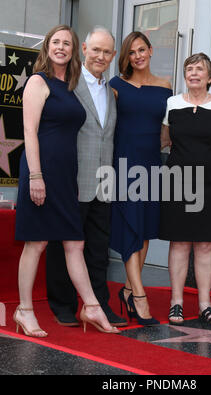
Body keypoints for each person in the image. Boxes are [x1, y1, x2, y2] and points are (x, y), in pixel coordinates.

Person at [14, 25, 119, 337]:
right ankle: (24, 309)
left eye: (66, 44)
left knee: (75, 242)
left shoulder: (71, 85)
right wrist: (35, 176)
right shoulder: (38, 81)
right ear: (47, 47)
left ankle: (91, 306)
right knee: (37, 243)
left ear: (75, 50)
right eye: (56, 42)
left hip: (65, 175)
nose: (61, 47)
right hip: (41, 172)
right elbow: (30, 132)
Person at [45, 27, 127, 327]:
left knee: (98, 248)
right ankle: (62, 304)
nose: (100, 56)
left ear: (113, 56)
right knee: (63, 244)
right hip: (72, 177)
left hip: (104, 181)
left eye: (107, 52)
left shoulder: (111, 91)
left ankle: (99, 304)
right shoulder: (68, 85)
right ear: (84, 50)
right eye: (96, 50)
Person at [159, 53, 211, 327]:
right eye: (189, 69)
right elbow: (164, 141)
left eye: (199, 69)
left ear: (209, 76)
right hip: (178, 182)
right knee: (180, 242)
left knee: (206, 244)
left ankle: (205, 305)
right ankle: (177, 304)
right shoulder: (172, 103)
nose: (193, 73)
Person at [109, 32, 172, 326]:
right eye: (132, 52)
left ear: (151, 50)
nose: (138, 56)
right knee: (130, 225)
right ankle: (139, 295)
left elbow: (166, 130)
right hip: (123, 162)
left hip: (151, 163)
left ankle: (127, 290)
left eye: (142, 50)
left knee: (144, 229)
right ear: (127, 57)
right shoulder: (116, 86)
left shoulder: (165, 86)